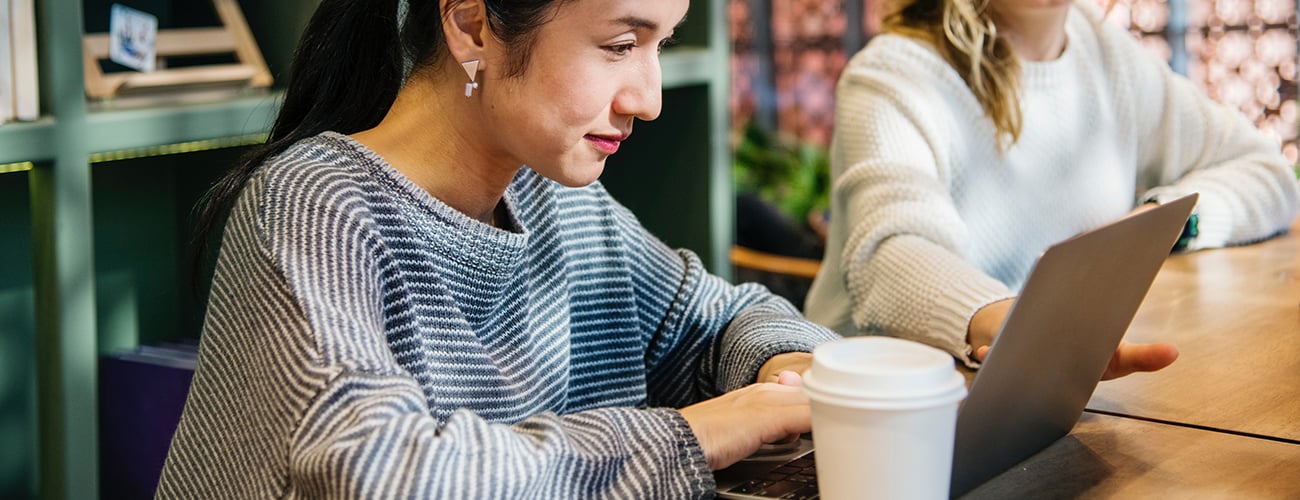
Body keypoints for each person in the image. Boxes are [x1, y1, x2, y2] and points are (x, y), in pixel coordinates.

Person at [158, 0, 839, 497]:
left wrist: (792, 366)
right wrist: (693, 438)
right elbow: (376, 471)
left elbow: (720, 320)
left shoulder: (556, 200)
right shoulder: (315, 205)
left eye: (661, 45)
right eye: (619, 45)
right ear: (471, 26)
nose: (649, 98)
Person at [804, 0, 1300, 377]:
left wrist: (1165, 222)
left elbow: (1265, 171)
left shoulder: (1104, 51)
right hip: (879, 402)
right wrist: (1018, 326)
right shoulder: (893, 73)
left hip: (1043, 383)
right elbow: (890, 256)